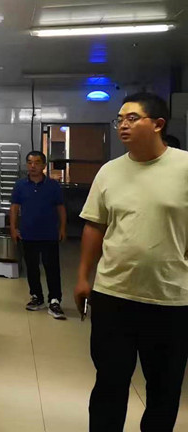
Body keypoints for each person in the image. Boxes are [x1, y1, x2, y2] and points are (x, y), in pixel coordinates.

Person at [75, 92, 188, 432]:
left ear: (158, 124)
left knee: (164, 389)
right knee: (109, 384)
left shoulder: (184, 167)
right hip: (114, 295)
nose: (123, 125)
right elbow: (95, 226)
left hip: (170, 299)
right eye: (120, 119)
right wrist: (83, 277)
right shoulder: (109, 172)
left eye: (133, 118)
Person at [10, 150, 67, 319]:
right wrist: (13, 228)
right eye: (29, 162)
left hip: (49, 234)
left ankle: (55, 300)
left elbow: (61, 208)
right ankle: (36, 297)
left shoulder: (53, 186)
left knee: (52, 268)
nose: (32, 166)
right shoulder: (20, 185)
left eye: (36, 162)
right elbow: (14, 208)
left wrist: (62, 228)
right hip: (28, 234)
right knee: (32, 267)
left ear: (43, 165)